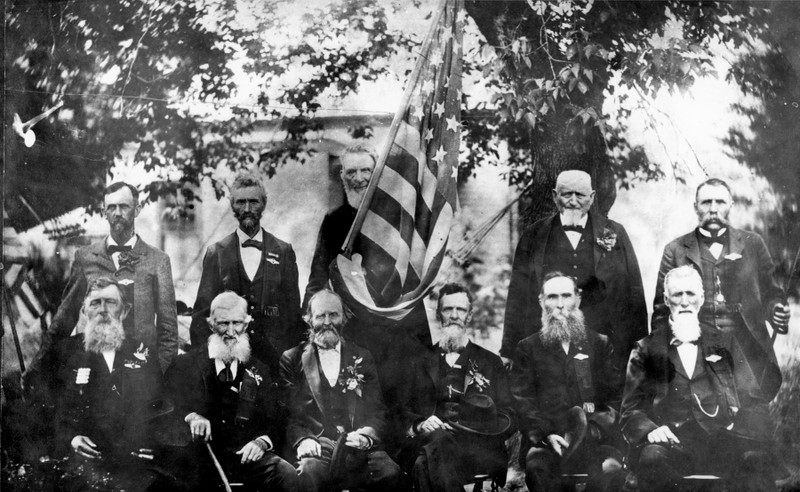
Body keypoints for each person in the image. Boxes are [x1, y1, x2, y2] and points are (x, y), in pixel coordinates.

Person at [622, 266, 782, 492]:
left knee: (756, 461)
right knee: (652, 460)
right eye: (677, 295)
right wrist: (650, 430)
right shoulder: (646, 348)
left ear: (702, 298)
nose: (685, 302)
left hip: (722, 443)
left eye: (691, 294)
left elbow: (755, 400)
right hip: (672, 446)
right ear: (667, 300)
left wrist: (740, 426)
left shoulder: (726, 342)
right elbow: (629, 410)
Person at [303, 143, 432, 417]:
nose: (359, 178)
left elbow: (413, 277)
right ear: (342, 176)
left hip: (395, 330)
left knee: (405, 408)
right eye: (351, 171)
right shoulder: (333, 222)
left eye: (366, 170)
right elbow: (317, 279)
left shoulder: (395, 220)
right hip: (355, 331)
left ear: (376, 175)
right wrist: (307, 321)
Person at [652, 178, 791, 389]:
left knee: (753, 417)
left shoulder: (753, 243)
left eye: (721, 202)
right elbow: (661, 313)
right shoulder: (675, 250)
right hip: (695, 352)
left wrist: (776, 311)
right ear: (695, 207)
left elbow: (772, 294)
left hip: (746, 351)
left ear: (731, 206)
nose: (714, 209)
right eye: (706, 202)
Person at [33, 182, 178, 378]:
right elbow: (63, 320)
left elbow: (168, 331)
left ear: (137, 210)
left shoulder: (158, 260)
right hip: (96, 373)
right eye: (111, 207)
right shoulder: (85, 258)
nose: (117, 213)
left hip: (142, 373)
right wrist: (36, 369)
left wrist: (157, 377)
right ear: (103, 212)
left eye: (124, 206)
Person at [503, 170, 646, 367]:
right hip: (548, 344)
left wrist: (641, 347)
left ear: (592, 197)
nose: (573, 201)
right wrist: (508, 349)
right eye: (566, 194)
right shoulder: (534, 236)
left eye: (580, 195)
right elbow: (517, 296)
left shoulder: (614, 233)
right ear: (555, 196)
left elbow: (634, 292)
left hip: (606, 346)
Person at [167, 291, 298, 492]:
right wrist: (190, 417)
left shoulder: (260, 369)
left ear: (246, 324)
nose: (230, 331)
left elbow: (275, 418)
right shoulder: (184, 365)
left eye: (236, 323)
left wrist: (261, 442)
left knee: (286, 474)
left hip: (246, 458)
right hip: (198, 458)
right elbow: (164, 406)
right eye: (223, 323)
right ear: (211, 324)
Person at [54, 277, 172, 491]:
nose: (103, 310)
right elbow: (49, 409)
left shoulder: (143, 352)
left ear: (124, 311)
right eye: (95, 303)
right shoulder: (63, 353)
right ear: (84, 311)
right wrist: (70, 438)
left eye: (110, 302)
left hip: (135, 465)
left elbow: (159, 405)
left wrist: (151, 443)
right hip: (82, 464)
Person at [279, 289, 403, 492]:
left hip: (357, 448)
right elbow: (289, 415)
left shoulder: (362, 356)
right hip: (318, 447)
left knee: (390, 472)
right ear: (309, 319)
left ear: (344, 318)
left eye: (334, 314)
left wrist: (367, 436)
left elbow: (377, 411)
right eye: (320, 315)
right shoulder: (292, 359)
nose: (327, 321)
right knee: (309, 471)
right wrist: (303, 439)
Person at [511, 272, 624, 492]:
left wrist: (596, 429)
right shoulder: (528, 348)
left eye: (566, 296)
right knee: (537, 468)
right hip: (548, 442)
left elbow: (616, 396)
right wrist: (545, 435)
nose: (560, 304)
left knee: (612, 469)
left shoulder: (599, 344)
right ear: (541, 301)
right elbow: (522, 400)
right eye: (552, 297)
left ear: (578, 299)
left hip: (595, 439)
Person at [399, 283, 515, 492]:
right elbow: (403, 410)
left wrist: (478, 426)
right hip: (430, 439)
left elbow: (508, 415)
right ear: (438, 315)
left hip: (478, 448)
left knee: (421, 466)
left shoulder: (490, 362)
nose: (454, 315)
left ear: (469, 316)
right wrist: (421, 424)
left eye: (460, 309)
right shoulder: (419, 362)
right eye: (447, 309)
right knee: (435, 445)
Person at [190, 172, 302, 372]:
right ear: (232, 205)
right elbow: (201, 316)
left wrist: (288, 359)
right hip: (229, 357)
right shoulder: (217, 253)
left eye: (254, 202)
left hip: (274, 359)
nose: (248, 209)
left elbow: (293, 314)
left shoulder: (283, 252)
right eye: (241, 202)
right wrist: (206, 365)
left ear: (264, 204)